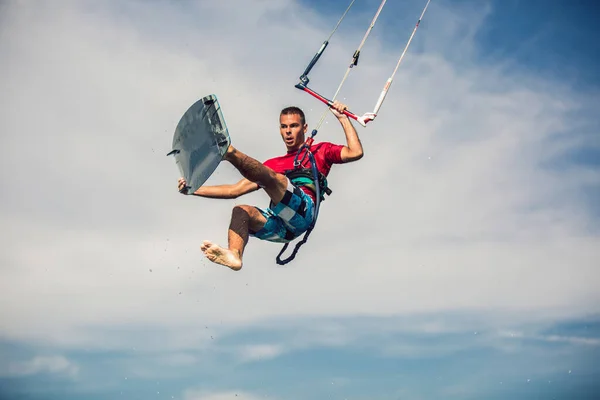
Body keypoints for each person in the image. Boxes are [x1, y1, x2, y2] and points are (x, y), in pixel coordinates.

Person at [177, 100, 364, 270]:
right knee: (241, 211)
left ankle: (229, 153)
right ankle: (234, 255)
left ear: (305, 127)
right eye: (284, 127)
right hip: (282, 228)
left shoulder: (320, 150)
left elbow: (355, 152)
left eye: (294, 126)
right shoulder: (273, 165)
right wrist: (193, 189)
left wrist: (342, 118)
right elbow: (234, 190)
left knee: (278, 180)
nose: (288, 131)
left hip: (303, 213)